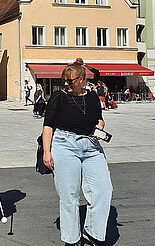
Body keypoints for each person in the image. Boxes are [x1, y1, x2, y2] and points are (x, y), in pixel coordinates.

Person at [42, 58, 112, 246]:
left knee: (103, 189)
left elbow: (99, 119)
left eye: (69, 81)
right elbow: (48, 126)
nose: (65, 84)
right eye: (63, 81)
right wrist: (46, 152)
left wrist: (100, 126)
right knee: (69, 195)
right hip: (65, 144)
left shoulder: (93, 97)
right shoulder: (58, 97)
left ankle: (93, 231)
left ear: (82, 79)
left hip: (91, 145)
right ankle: (71, 239)